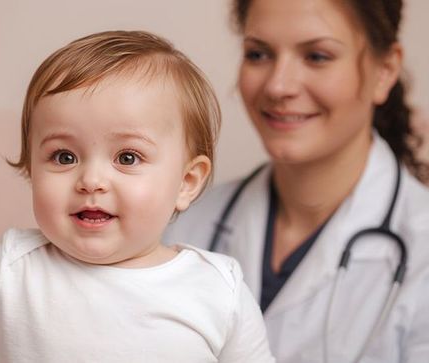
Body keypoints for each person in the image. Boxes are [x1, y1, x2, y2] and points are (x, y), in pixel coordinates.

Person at [0, 30, 275, 362]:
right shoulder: (13, 267)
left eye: (127, 157)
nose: (91, 179)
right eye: (64, 155)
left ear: (186, 182)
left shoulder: (216, 288)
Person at [165, 0, 429, 362]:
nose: (278, 86)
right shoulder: (180, 223)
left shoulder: (421, 246)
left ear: (384, 71)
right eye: (258, 54)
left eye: (317, 56)